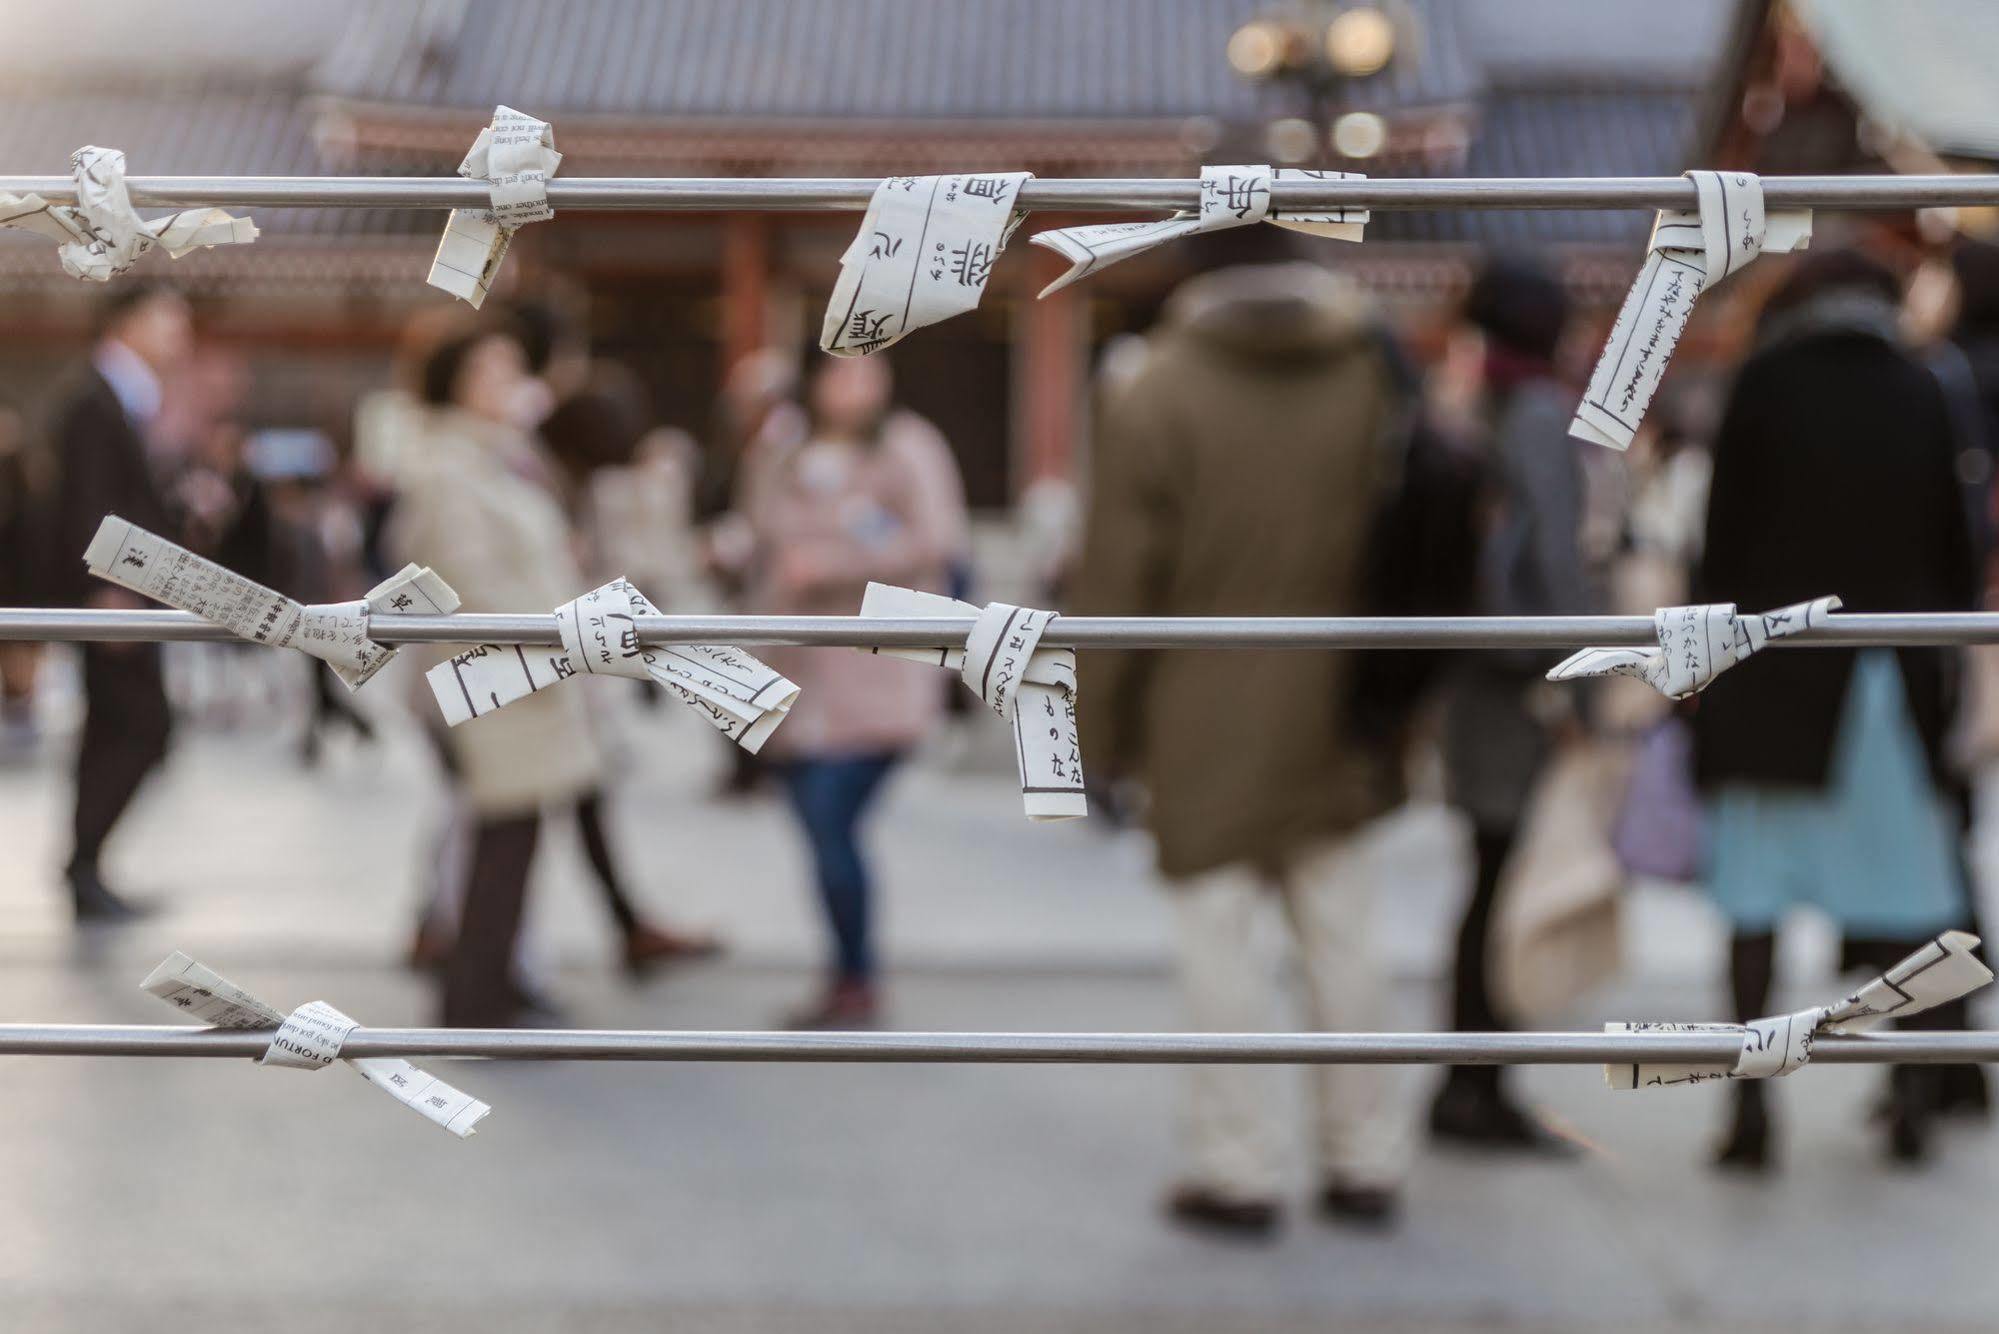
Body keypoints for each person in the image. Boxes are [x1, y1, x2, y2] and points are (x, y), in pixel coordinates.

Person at [1074, 227, 1413, 1236]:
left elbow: (1117, 581)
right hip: (1338, 694)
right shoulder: (1367, 370)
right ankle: (1366, 1155)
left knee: (1218, 946)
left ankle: (1239, 1167)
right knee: (1343, 935)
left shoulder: (1157, 389)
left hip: (1200, 706)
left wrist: (1093, 735)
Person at [1695, 248, 1982, 1170]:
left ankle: (1749, 1115)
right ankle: (1909, 1095)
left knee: (1754, 906)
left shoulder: (1763, 384)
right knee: (1906, 902)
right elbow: (1955, 548)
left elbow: (1721, 545)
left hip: (1774, 672)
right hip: (1885, 687)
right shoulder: (1925, 386)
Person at [387, 322, 709, 1026]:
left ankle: (491, 986)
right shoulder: (448, 467)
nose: (513, 385)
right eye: (493, 372)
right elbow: (468, 580)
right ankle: (475, 998)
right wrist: (569, 624)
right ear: (459, 386)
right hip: (502, 676)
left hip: (529, 675)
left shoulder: (493, 459)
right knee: (501, 841)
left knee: (513, 837)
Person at [747, 352, 967, 1029]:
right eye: (842, 373)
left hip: (878, 667)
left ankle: (855, 975)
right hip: (797, 669)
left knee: (831, 819)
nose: (857, 388)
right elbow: (758, 527)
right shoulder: (784, 448)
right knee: (817, 826)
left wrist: (835, 561)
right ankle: (846, 972)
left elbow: (937, 538)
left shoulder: (908, 447)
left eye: (869, 373)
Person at [1432, 258, 1593, 1154]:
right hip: (1522, 685)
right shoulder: (1537, 415)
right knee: (1501, 888)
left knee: (1485, 882)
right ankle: (1476, 1089)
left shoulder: (1464, 404)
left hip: (1469, 676)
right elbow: (1560, 566)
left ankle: (1471, 1079)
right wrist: (1587, 681)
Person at [40, 283, 196, 921]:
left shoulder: (122, 398)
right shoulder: (94, 400)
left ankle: (86, 868)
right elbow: (87, 500)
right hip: (115, 598)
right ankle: (83, 866)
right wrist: (108, 589)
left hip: (124, 593)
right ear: (126, 322)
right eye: (167, 319)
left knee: (114, 729)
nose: (179, 333)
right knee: (138, 727)